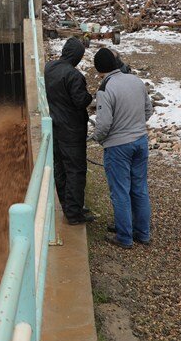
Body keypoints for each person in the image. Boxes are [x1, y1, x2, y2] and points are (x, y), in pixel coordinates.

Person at [92, 47, 153, 248]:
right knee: (140, 188)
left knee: (120, 191)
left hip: (118, 146)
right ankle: (143, 233)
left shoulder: (105, 88)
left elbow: (103, 124)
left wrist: (98, 139)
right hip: (141, 142)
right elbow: (148, 110)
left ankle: (124, 237)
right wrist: (135, 125)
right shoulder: (135, 80)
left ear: (99, 69)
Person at [44, 37, 95, 224]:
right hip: (72, 130)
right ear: (77, 56)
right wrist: (90, 96)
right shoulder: (73, 75)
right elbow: (81, 101)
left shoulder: (49, 68)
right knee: (76, 170)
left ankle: (69, 205)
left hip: (55, 126)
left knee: (61, 169)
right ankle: (74, 213)